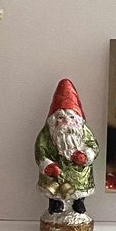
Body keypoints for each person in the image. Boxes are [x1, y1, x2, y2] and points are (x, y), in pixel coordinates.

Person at [35, 80, 99, 216]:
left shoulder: (84, 131)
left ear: (78, 118)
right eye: (61, 117)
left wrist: (86, 155)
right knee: (54, 190)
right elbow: (40, 150)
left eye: (71, 116)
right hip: (55, 173)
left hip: (78, 172)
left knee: (79, 189)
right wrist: (47, 165)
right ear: (53, 120)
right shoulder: (47, 134)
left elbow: (93, 145)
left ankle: (78, 203)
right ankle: (56, 204)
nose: (67, 121)